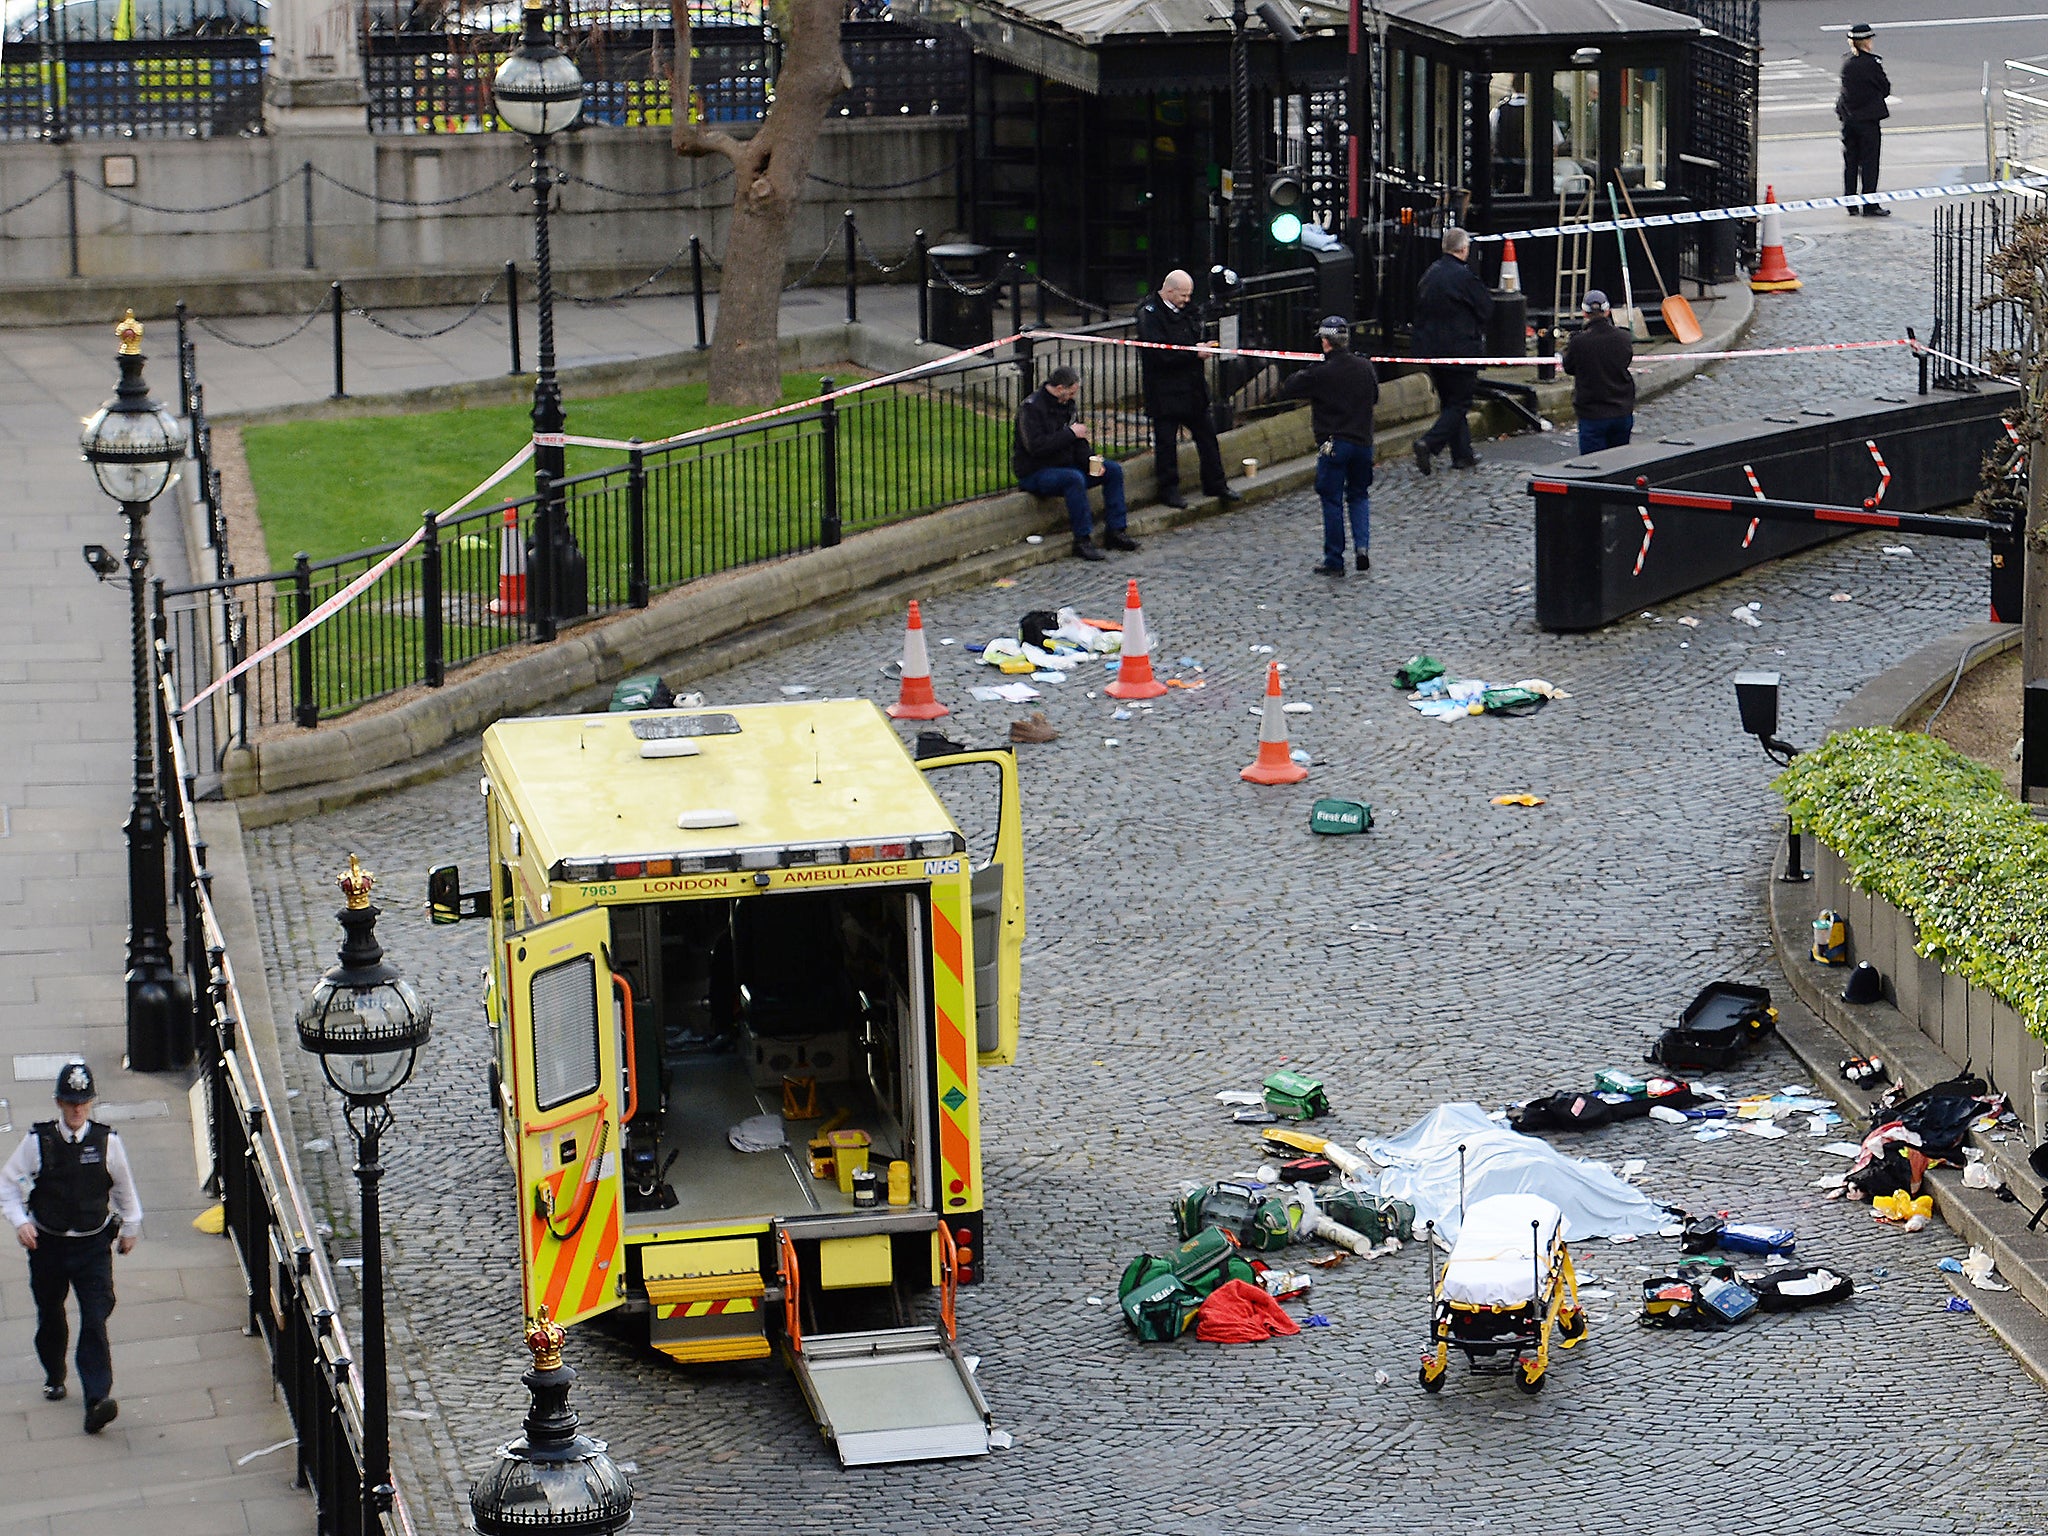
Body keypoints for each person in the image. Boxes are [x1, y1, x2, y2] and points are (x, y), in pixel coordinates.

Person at [2, 1062, 141, 1434]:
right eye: (69, 1102)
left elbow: (124, 1188)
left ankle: (96, 1399)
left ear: (91, 1102)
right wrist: (21, 1222)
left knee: (95, 1317)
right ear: (58, 1103)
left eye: (82, 1102)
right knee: (50, 1313)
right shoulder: (38, 1142)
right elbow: (8, 1186)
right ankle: (54, 1372)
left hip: (93, 1244)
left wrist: (130, 1225)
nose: (76, 1109)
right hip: (48, 1245)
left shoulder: (108, 1142)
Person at [1278, 315, 1380, 575]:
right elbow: (1375, 397)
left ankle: (1335, 559)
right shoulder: (1365, 367)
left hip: (1334, 443)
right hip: (1363, 442)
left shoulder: (1321, 373)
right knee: (1359, 495)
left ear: (1325, 342)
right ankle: (1362, 548)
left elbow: (1289, 387)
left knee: (1331, 498)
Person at [1134, 269, 1239, 509]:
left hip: (1191, 388)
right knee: (1166, 444)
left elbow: (1194, 329)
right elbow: (1159, 355)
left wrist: (1199, 346)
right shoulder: (1150, 314)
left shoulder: (1187, 311)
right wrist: (1194, 354)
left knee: (1208, 437)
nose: (1187, 300)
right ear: (1169, 291)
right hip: (1165, 391)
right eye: (1182, 295)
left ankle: (1216, 482)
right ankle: (1169, 490)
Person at [1013, 364, 1134, 562]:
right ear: (1059, 388)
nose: (1072, 397)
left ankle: (1116, 529)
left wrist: (1091, 461)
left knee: (1112, 470)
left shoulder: (1067, 406)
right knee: (1074, 479)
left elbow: (1078, 442)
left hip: (1066, 464)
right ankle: (1082, 538)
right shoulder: (1031, 408)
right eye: (1070, 392)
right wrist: (1069, 434)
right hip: (1036, 471)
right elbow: (1035, 447)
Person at [1410, 228, 1494, 474]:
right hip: (1460, 349)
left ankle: (1462, 454)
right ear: (1464, 249)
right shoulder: (1464, 278)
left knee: (1450, 403)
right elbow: (1486, 308)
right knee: (1460, 403)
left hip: (1432, 350)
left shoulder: (1430, 274)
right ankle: (1429, 443)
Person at [1561, 290, 1636, 454]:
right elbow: (1626, 360)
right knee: (1620, 461)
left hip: (1592, 414)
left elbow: (1569, 367)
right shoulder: (1624, 337)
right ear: (1607, 311)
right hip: (1621, 410)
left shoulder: (1578, 342)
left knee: (1593, 464)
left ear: (1584, 313)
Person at [1838, 22, 1890, 216]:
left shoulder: (1847, 62)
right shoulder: (1872, 63)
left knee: (1850, 162)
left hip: (1849, 120)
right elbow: (1885, 88)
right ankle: (1869, 204)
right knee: (1869, 163)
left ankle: (1850, 203)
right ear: (1866, 42)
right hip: (1868, 120)